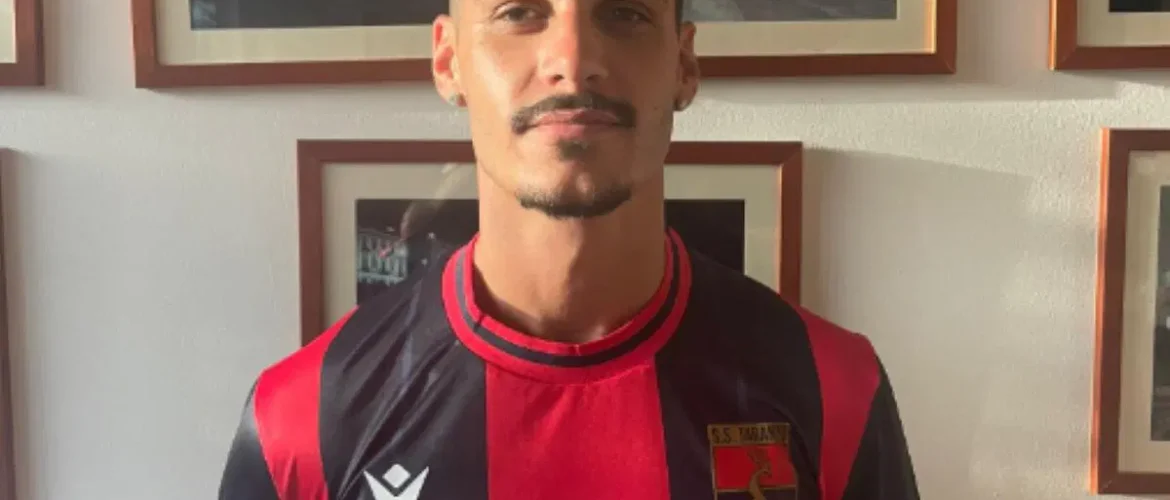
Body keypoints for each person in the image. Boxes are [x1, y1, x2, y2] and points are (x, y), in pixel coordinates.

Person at [216, 0, 920, 499]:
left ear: (683, 64)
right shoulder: (300, 420)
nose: (575, 62)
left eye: (624, 14)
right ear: (448, 60)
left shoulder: (833, 389)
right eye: (521, 12)